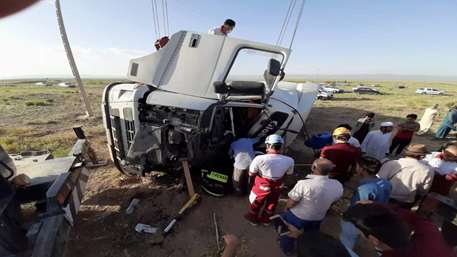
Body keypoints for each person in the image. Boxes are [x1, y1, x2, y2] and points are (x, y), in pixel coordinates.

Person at [279, 158, 343, 255]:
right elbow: (334, 201)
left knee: (288, 232)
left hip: (298, 216)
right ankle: (308, 250)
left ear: (314, 167)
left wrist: (287, 208)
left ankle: (287, 249)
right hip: (318, 217)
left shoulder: (304, 183)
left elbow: (292, 202)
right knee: (311, 236)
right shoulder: (338, 185)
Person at [343, 202, 455, 257]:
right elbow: (417, 218)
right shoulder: (430, 234)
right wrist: (378, 207)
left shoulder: (430, 232)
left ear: (374, 240)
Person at [340, 156, 392, 254]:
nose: (355, 168)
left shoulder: (365, 188)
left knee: (346, 243)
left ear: (363, 169)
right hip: (376, 219)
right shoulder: (386, 183)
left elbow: (360, 208)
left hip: (358, 221)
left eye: (357, 166)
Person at [244, 134, 294, 225]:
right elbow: (289, 174)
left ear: (269, 145)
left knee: (257, 202)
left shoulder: (259, 159)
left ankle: (253, 219)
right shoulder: (290, 160)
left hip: (262, 185)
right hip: (277, 185)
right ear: (281, 146)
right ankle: (266, 220)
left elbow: (251, 174)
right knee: (272, 202)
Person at [377, 144, 434, 209]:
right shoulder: (427, 170)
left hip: (384, 196)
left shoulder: (391, 163)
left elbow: (379, 179)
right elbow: (424, 190)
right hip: (405, 200)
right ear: (422, 156)